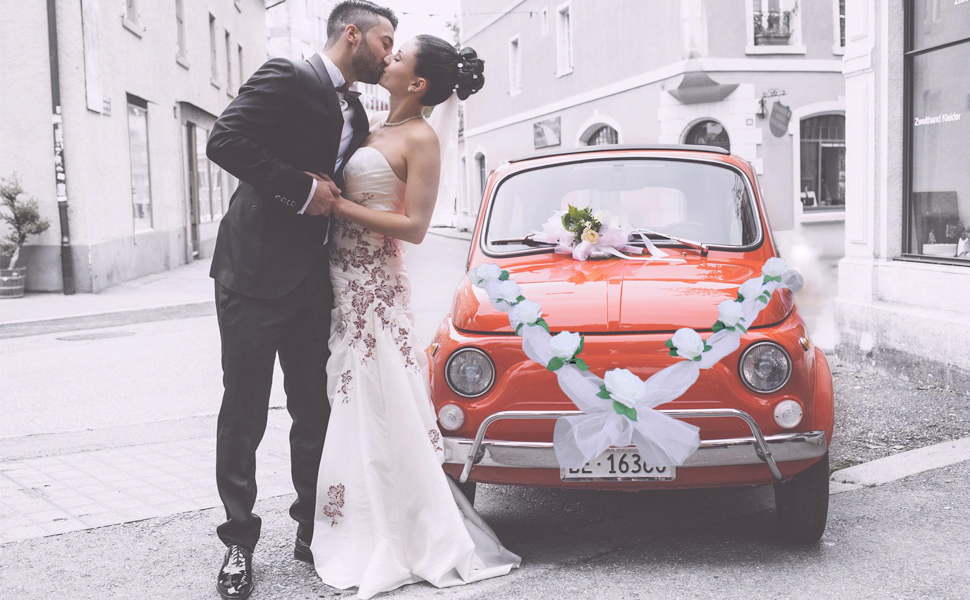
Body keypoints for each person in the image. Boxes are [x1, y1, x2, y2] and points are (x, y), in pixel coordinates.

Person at [305, 35, 521, 599]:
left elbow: (416, 227)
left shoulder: (421, 138)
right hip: (341, 278)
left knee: (381, 396)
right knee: (349, 396)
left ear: (418, 83)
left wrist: (338, 204)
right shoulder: (373, 125)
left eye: (399, 57)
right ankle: (351, 514)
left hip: (375, 287)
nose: (388, 58)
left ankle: (395, 529)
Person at [205, 2, 397, 598]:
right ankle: (238, 542)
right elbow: (224, 140)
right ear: (352, 34)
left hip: (315, 279)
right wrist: (297, 188)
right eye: (385, 42)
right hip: (252, 273)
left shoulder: (356, 108)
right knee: (244, 412)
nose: (388, 55)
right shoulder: (286, 74)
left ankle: (311, 531)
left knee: (314, 409)